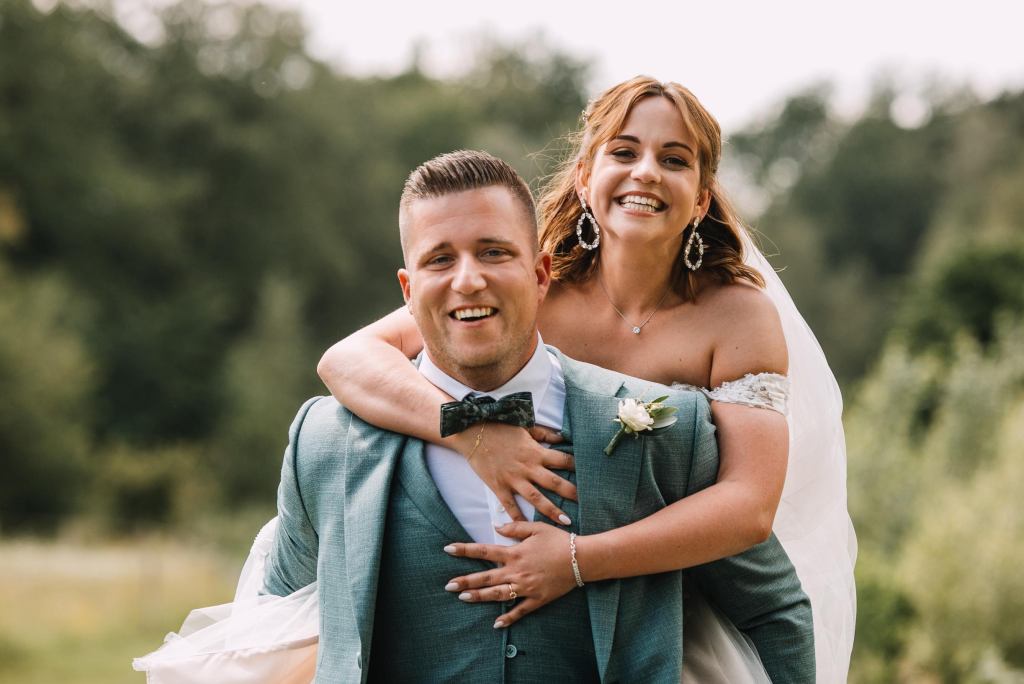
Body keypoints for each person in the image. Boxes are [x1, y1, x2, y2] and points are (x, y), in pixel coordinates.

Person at [136, 149, 815, 683]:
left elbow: (772, 609)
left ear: (541, 275)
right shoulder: (324, 443)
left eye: (494, 252)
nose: (468, 279)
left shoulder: (664, 431)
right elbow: (274, 626)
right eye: (440, 259)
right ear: (408, 290)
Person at [318, 77, 856, 681]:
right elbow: (347, 360)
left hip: (682, 597)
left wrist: (577, 561)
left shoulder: (737, 317)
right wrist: (471, 432)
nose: (646, 172)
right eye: (624, 152)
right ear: (584, 178)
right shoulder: (529, 290)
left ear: (701, 200)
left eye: (674, 160)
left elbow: (749, 508)